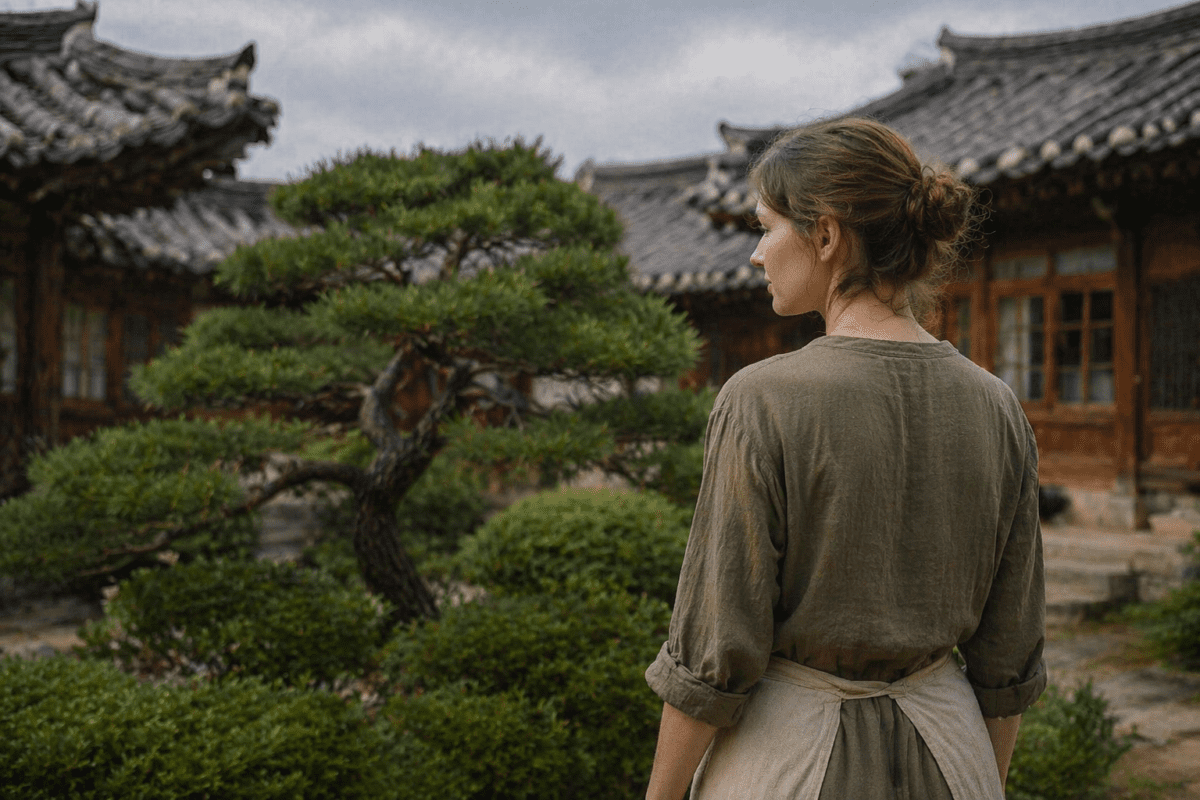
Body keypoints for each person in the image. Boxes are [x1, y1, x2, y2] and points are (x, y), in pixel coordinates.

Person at [644, 117, 1045, 800]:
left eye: (766, 227)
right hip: (955, 757)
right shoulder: (997, 405)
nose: (756, 254)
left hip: (788, 761)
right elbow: (1007, 659)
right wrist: (981, 779)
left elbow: (715, 653)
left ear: (826, 236)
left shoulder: (762, 399)